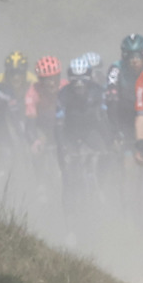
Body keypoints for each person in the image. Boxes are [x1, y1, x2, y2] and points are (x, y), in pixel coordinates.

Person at [56, 54, 103, 210]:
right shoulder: (63, 94)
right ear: (70, 80)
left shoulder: (97, 91)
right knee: (68, 175)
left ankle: (106, 192)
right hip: (70, 133)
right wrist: (62, 147)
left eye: (83, 80)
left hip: (91, 131)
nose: (79, 85)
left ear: (89, 79)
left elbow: (105, 117)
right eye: (75, 80)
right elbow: (59, 124)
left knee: (106, 157)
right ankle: (70, 210)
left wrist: (112, 139)